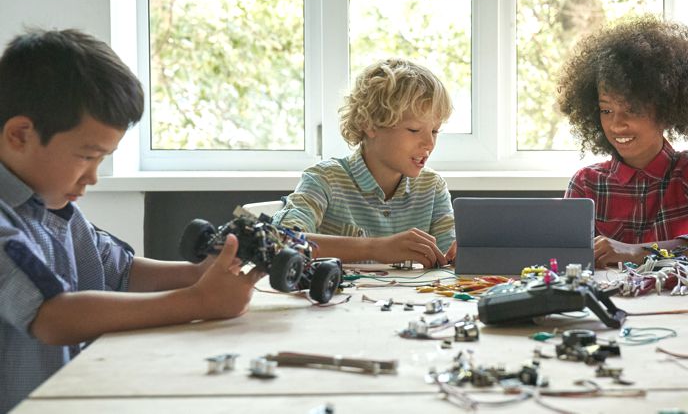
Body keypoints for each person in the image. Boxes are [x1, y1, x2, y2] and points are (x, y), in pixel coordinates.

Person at [0, 29, 262, 411]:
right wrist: (198, 301)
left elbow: (121, 272)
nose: (93, 177)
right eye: (87, 156)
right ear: (20, 135)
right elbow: (50, 315)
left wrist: (203, 273)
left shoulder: (53, 207)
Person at [558, 15, 688, 267]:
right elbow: (564, 258)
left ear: (665, 110)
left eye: (632, 109)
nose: (617, 123)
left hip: (682, 303)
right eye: (606, 110)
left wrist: (640, 252)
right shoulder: (587, 184)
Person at [274, 58, 455, 268]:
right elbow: (280, 241)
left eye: (434, 131)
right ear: (369, 124)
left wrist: (461, 255)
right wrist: (374, 248)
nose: (429, 143)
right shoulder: (325, 180)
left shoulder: (432, 187)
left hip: (411, 301)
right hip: (337, 301)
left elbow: (447, 261)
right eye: (414, 130)